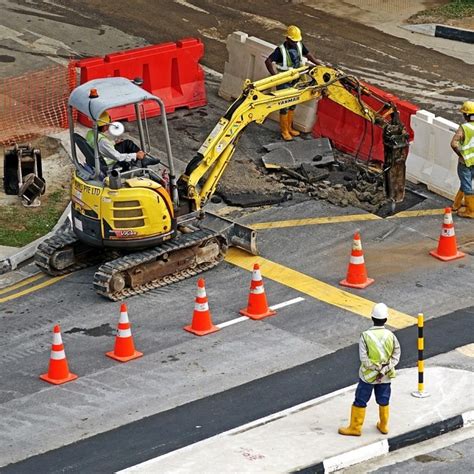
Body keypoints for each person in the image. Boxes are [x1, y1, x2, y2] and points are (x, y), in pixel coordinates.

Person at [339, 303, 401, 436]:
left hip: (368, 376)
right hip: (385, 376)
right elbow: (396, 356)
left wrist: (375, 368)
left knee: (361, 400)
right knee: (384, 400)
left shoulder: (365, 336)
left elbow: (364, 359)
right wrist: (384, 369)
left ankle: (355, 428)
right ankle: (383, 426)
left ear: (372, 317)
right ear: (386, 319)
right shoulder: (391, 336)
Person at [265, 25, 324, 141]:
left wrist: (318, 64)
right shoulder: (280, 50)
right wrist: (274, 76)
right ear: (287, 39)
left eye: (297, 41)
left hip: (296, 80)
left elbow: (308, 55)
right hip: (284, 82)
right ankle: (284, 131)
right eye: (293, 41)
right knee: (285, 106)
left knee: (292, 105)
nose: (295, 42)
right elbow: (267, 61)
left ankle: (290, 128)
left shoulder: (299, 45)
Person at [86, 111, 159, 172]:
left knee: (127, 143)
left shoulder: (90, 133)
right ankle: (142, 159)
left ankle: (143, 159)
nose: (108, 127)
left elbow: (101, 146)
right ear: (104, 125)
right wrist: (135, 155)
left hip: (100, 155)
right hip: (108, 161)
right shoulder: (103, 141)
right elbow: (118, 157)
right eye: (108, 124)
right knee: (132, 153)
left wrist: (113, 143)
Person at [450, 100, 474, 218]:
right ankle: (457, 204)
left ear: (466, 115)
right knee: (466, 182)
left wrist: (460, 154)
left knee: (466, 184)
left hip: (465, 162)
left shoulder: (464, 128)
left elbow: (454, 144)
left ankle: (471, 210)